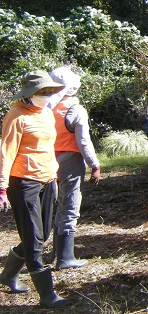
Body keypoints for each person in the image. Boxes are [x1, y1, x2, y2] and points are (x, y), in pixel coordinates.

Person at [0, 70, 70, 308]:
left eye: (50, 92)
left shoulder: (47, 114)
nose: (48, 96)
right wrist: (2, 186)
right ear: (30, 94)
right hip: (23, 182)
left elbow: (49, 149)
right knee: (33, 239)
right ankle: (47, 295)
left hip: (47, 180)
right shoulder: (16, 116)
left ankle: (8, 275)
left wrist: (54, 177)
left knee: (42, 235)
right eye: (43, 92)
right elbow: (6, 152)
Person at [46, 66, 101, 270]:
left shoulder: (47, 107)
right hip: (69, 160)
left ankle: (56, 253)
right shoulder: (75, 109)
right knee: (70, 206)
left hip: (49, 160)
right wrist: (94, 165)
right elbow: (83, 141)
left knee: (58, 206)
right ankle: (65, 257)